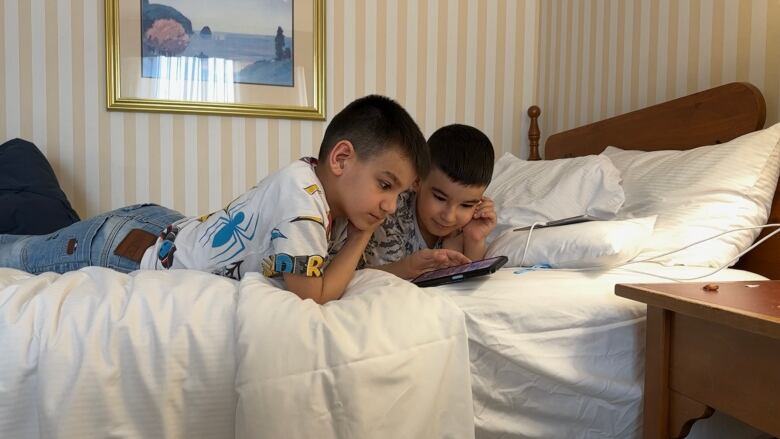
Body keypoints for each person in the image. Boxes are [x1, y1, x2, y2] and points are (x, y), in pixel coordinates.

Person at [0, 95, 429, 304]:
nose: (390, 206)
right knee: (18, 254)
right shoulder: (303, 200)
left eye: (398, 194)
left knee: (40, 224)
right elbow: (311, 295)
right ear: (341, 158)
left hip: (163, 228)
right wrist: (361, 236)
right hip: (133, 249)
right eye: (385, 185)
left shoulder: (315, 187)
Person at [330, 123, 496, 280]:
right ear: (417, 181)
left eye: (466, 205)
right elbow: (363, 277)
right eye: (439, 197)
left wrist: (475, 238)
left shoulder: (463, 227)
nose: (449, 216)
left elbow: (468, 281)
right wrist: (407, 267)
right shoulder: (390, 212)